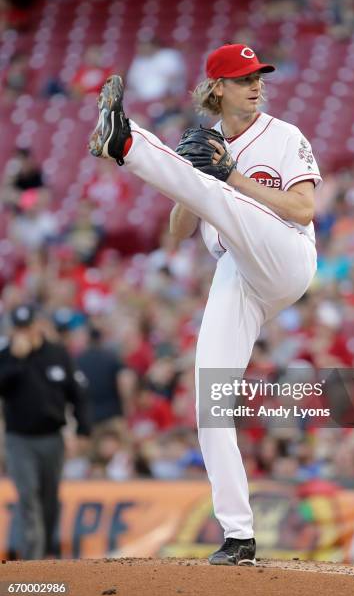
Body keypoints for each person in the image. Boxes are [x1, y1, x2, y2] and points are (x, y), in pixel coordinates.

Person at [88, 43, 321, 566]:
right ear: (217, 88)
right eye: (242, 79)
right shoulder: (205, 144)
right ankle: (239, 536)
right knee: (209, 400)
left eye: (258, 76)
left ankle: (125, 142)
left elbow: (305, 208)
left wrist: (226, 177)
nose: (256, 84)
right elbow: (180, 232)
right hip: (237, 272)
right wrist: (190, 184)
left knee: (226, 194)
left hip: (285, 252)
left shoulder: (283, 136)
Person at [0, 304, 91, 559]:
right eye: (18, 328)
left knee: (49, 498)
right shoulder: (6, 356)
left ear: (36, 325)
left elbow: (77, 393)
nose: (24, 332)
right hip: (19, 439)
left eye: (27, 326)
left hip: (52, 437)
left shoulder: (57, 354)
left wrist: (83, 429)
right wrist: (17, 360)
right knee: (28, 496)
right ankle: (32, 560)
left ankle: (48, 553)